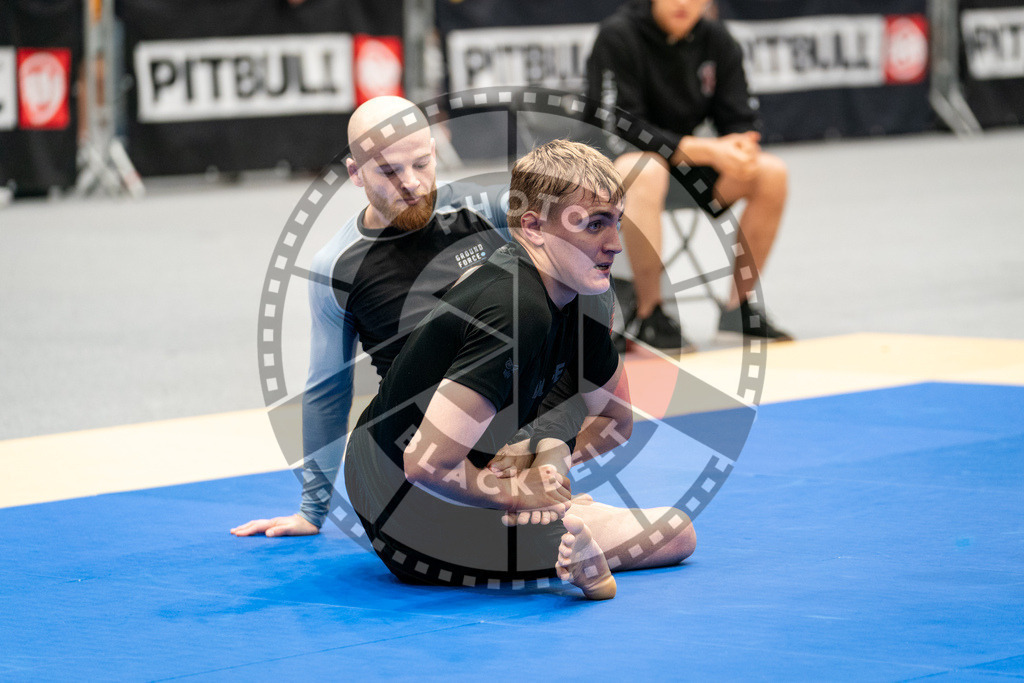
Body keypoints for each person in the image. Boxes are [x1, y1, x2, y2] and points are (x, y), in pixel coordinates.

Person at [231, 98, 695, 588]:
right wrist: (312, 506)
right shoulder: (338, 266)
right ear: (356, 174)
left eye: (421, 163)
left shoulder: (483, 212)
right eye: (389, 171)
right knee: (666, 532)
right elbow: (328, 389)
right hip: (425, 438)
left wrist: (550, 451)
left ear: (436, 153)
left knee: (558, 317)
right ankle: (543, 522)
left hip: (496, 409)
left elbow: (549, 207)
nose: (410, 182)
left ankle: (547, 509)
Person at [344, 139, 695, 599]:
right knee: (675, 532)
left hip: (454, 461)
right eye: (593, 226)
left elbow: (615, 421)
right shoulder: (515, 309)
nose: (614, 245)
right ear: (532, 228)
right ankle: (558, 544)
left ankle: (546, 520)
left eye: (616, 223)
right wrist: (513, 492)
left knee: (631, 510)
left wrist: (545, 468)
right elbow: (425, 463)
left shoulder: (586, 294)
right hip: (402, 503)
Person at [586, 0, 792, 353]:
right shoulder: (618, 35)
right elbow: (623, 128)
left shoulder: (716, 38)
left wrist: (741, 146)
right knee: (645, 168)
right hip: (615, 173)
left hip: (684, 172)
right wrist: (710, 150)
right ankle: (649, 314)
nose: (683, 3)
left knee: (770, 172)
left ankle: (737, 311)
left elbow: (739, 117)